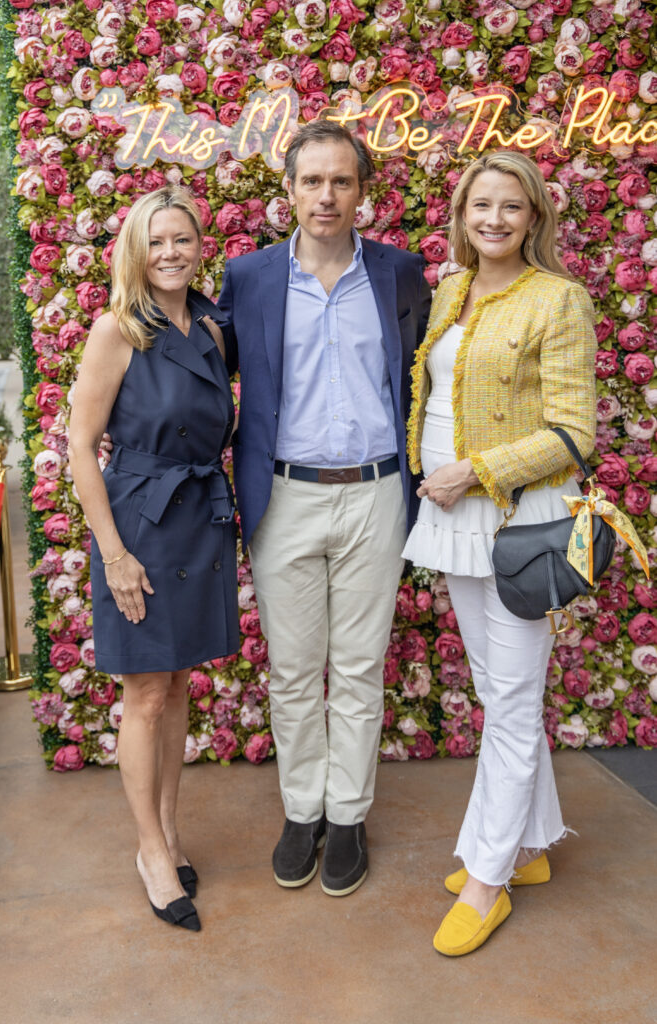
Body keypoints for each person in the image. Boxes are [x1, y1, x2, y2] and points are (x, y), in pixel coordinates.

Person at [218, 120, 432, 896]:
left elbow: (424, 378)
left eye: (341, 181)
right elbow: (210, 381)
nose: (326, 195)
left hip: (377, 494)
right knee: (294, 670)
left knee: (358, 667)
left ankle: (347, 815)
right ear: (288, 190)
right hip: (284, 498)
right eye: (312, 180)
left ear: (362, 192)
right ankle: (301, 809)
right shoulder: (247, 279)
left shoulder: (402, 274)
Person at [403, 151, 597, 955]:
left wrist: (472, 473)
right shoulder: (449, 289)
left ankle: (487, 880)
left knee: (512, 703)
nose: (493, 218)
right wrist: (437, 473)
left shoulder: (559, 299)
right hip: (452, 515)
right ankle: (529, 844)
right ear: (461, 213)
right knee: (499, 693)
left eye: (509, 207)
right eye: (480, 204)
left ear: (533, 218)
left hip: (514, 519)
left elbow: (572, 435)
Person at [69, 186, 238, 932]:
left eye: (183, 240)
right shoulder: (116, 330)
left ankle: (170, 830)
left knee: (175, 683)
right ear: (135, 252)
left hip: (198, 517)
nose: (171, 253)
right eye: (156, 242)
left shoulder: (210, 324)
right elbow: (80, 446)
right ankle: (150, 851)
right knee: (143, 693)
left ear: (202, 246)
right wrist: (112, 555)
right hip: (139, 523)